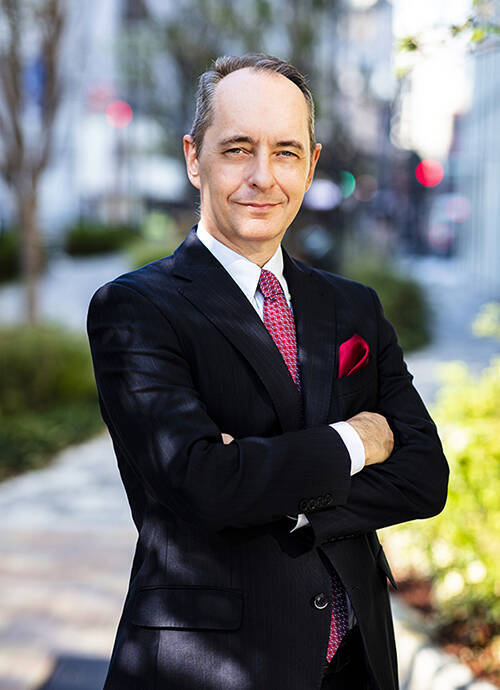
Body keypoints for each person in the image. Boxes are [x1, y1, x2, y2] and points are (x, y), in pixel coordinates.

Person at [87, 54, 448, 690]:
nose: (263, 177)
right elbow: (204, 483)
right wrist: (356, 440)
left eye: (285, 152)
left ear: (310, 164)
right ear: (194, 158)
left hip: (356, 661)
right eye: (237, 149)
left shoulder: (354, 306)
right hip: (210, 666)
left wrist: (274, 485)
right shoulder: (136, 309)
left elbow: (424, 476)